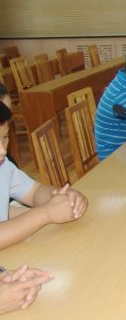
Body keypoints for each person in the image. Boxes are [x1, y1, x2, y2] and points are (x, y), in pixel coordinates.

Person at [0, 103, 88, 250]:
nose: (3, 150)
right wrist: (46, 213)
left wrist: (62, 197)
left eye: (4, 137)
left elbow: (34, 191)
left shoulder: (3, 166)